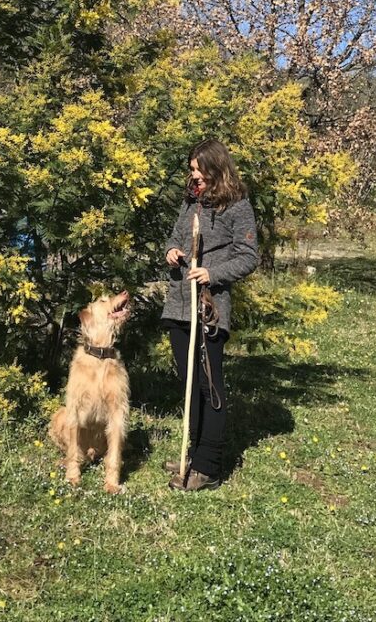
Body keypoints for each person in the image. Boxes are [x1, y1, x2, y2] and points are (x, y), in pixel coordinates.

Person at [162, 138, 258, 491]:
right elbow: (174, 236)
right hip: (179, 303)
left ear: (217, 170)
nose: (194, 177)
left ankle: (209, 465)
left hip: (209, 309)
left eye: (199, 171)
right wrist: (172, 249)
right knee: (186, 383)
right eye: (192, 171)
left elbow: (248, 256)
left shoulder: (237, 206)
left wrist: (212, 274)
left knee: (209, 385)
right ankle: (190, 455)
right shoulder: (191, 201)